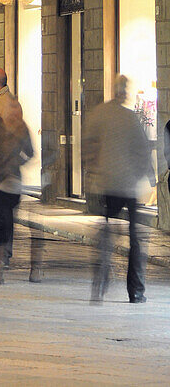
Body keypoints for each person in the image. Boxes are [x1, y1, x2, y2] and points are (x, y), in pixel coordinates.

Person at [85, 74, 155, 304]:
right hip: (128, 186)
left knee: (106, 232)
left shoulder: (98, 115)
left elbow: (87, 148)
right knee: (135, 239)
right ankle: (136, 292)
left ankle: (100, 283)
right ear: (123, 92)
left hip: (106, 184)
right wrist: (140, 176)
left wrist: (94, 171)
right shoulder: (130, 118)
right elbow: (143, 151)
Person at [0, 95, 33, 284]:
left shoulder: (17, 128)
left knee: (0, 222)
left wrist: (12, 163)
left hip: (6, 183)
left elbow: (29, 153)